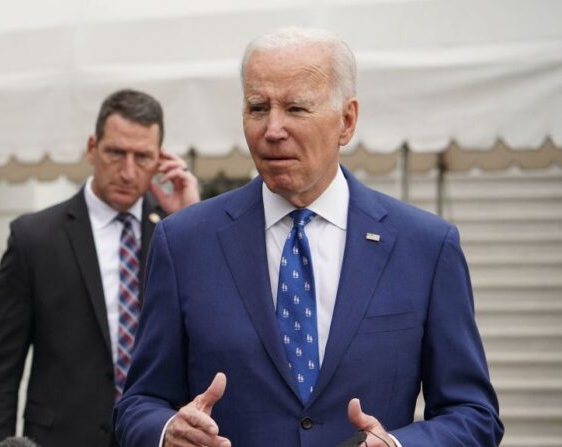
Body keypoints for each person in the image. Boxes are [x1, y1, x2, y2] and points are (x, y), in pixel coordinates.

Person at [114, 28, 503, 447]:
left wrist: (399, 445)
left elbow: (474, 415)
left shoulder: (424, 246)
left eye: (297, 108)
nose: (273, 129)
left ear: (347, 121)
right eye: (258, 107)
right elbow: (139, 404)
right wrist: (169, 430)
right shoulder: (185, 243)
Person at [0, 89, 200, 447]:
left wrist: (190, 218)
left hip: (153, 437)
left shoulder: (175, 234)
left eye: (142, 157)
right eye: (115, 153)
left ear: (161, 161)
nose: (128, 171)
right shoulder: (34, 238)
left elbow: (205, 331)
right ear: (92, 147)